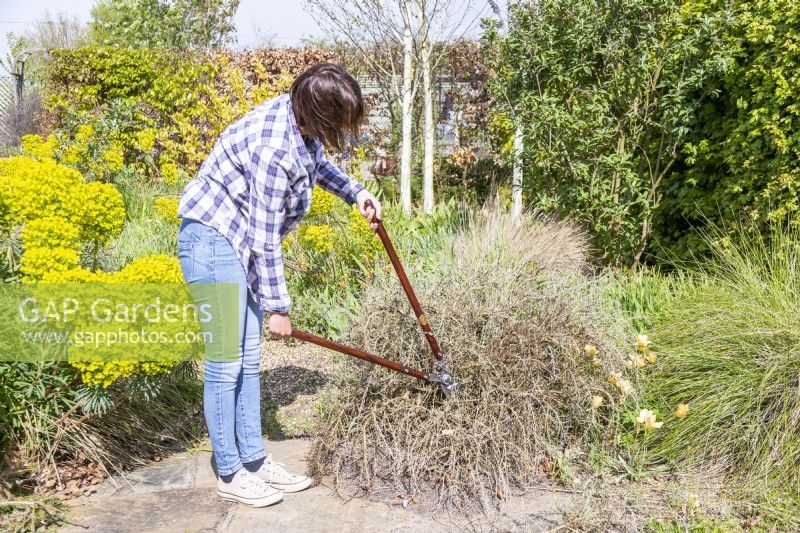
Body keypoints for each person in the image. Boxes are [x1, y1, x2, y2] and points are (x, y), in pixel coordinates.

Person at [176, 63, 381, 508]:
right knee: (226, 362)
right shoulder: (273, 150)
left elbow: (318, 165)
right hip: (212, 242)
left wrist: (356, 192)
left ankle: (253, 460)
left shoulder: (299, 123)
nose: (343, 130)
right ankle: (229, 472)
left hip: (232, 242)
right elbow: (264, 237)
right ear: (316, 113)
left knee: (248, 359)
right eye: (339, 121)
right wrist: (279, 308)